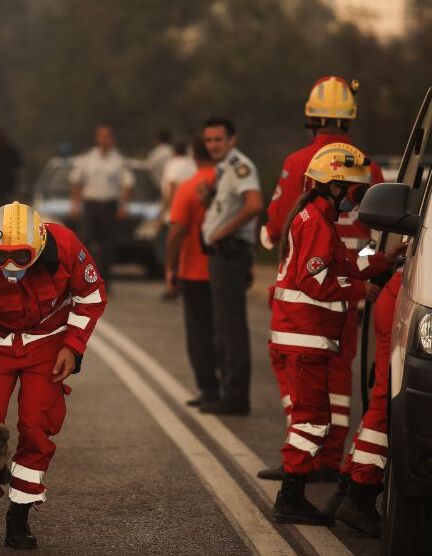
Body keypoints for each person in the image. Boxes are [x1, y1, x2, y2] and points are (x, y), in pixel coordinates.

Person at [0, 201, 107, 549]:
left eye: (21, 257)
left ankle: (19, 514)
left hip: (47, 343)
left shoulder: (65, 246)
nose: (9, 267)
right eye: (1, 257)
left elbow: (91, 295)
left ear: (38, 248)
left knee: (37, 425)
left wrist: (73, 346)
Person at [257, 76, 385, 481]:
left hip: (309, 291)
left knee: (301, 375)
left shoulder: (299, 164)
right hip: (348, 294)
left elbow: (275, 229)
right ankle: (329, 458)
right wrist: (369, 274)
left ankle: (301, 459)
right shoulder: (369, 166)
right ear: (349, 120)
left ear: (310, 119)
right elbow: (378, 235)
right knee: (338, 374)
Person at [270, 142, 399, 525]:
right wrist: (362, 291)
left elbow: (345, 260)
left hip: (303, 337)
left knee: (315, 416)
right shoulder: (315, 223)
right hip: (305, 337)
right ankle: (290, 498)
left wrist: (383, 260)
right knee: (311, 419)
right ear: (336, 186)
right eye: (356, 191)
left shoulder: (317, 220)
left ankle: (293, 494)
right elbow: (315, 280)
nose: (356, 200)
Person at [198, 117, 263, 415]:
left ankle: (236, 397)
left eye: (218, 139)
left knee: (231, 327)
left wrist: (224, 232)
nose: (212, 145)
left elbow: (254, 204)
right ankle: (228, 391)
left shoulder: (240, 166)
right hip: (222, 255)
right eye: (208, 140)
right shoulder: (223, 169)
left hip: (230, 253)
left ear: (232, 139)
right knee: (222, 326)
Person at [335, 270, 402, 536]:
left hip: (400, 293)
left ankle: (348, 487)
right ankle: (359, 493)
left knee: (383, 401)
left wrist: (381, 260)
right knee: (385, 403)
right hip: (403, 294)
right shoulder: (317, 227)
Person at [164, 136, 218, 407]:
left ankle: (209, 390)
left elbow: (176, 232)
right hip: (223, 271)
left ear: (193, 156)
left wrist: (170, 267)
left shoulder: (188, 188)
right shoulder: (227, 182)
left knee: (200, 335)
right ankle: (228, 387)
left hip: (195, 271)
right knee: (224, 332)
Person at [69, 124, 134, 291]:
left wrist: (123, 206)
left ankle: (105, 280)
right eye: (101, 136)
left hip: (109, 205)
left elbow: (127, 184)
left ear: (112, 139)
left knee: (107, 245)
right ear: (97, 138)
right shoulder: (87, 159)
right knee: (86, 241)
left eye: (108, 136)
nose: (104, 140)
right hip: (90, 204)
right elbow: (77, 181)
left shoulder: (118, 160)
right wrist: (75, 204)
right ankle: (85, 279)